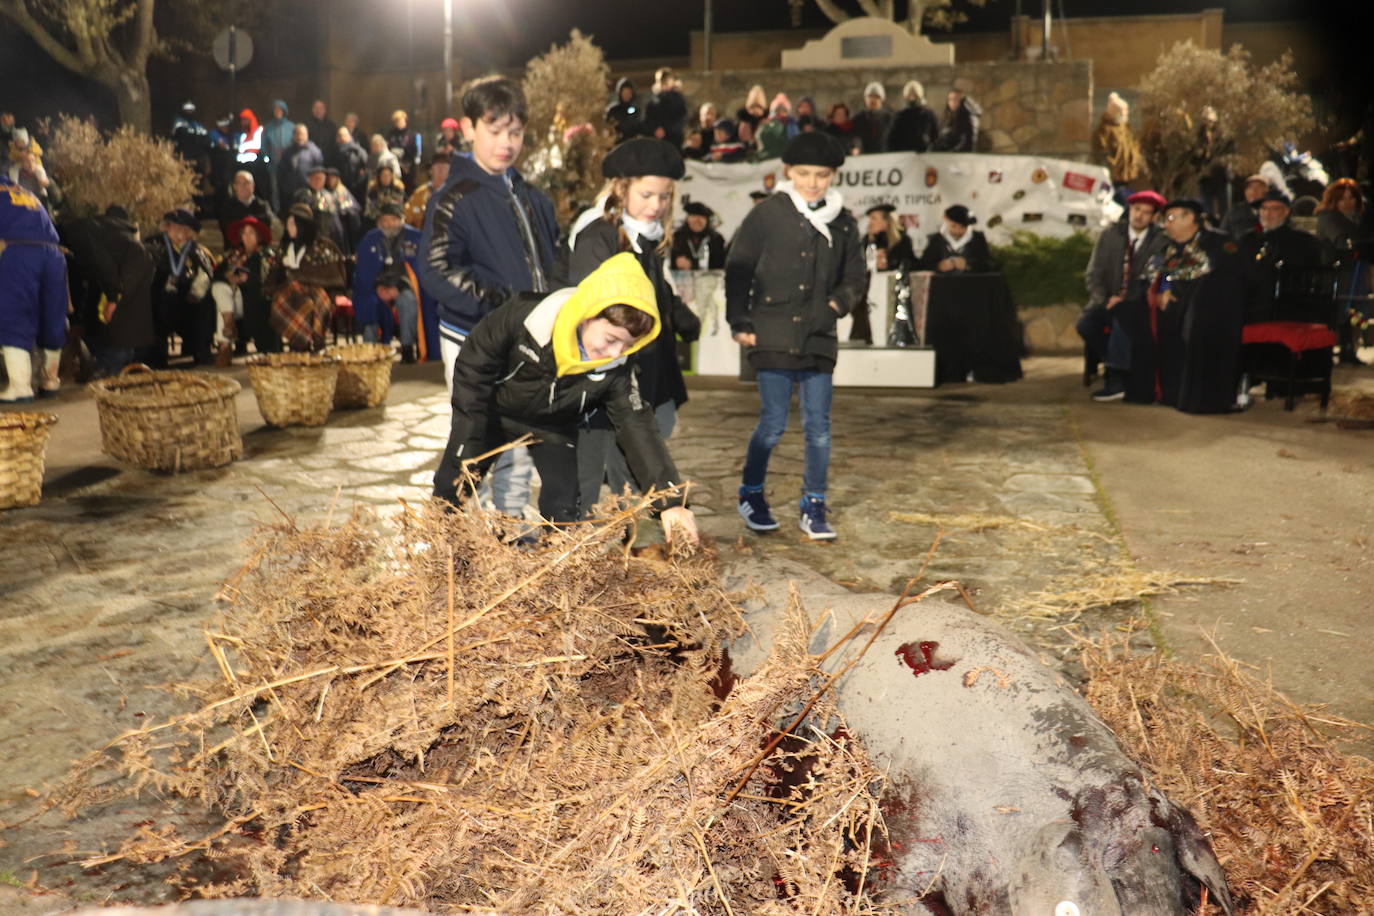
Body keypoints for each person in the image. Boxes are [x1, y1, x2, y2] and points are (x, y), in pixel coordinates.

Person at [431, 251, 698, 545]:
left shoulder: (617, 367)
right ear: (587, 315)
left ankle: (556, 565)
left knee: (566, 506)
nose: (615, 353)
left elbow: (636, 423)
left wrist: (671, 500)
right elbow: (474, 364)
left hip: (553, 424)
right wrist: (469, 431)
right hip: (493, 410)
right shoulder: (525, 317)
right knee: (454, 480)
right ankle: (439, 550)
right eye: (611, 339)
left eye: (628, 345)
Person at [418, 75, 559, 520]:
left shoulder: (533, 198)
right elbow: (436, 269)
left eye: (514, 132)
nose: (506, 143)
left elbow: (550, 262)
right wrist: (503, 303)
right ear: (469, 128)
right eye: (495, 131)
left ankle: (510, 526)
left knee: (519, 438)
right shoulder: (454, 197)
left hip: (526, 339)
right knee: (477, 438)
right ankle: (452, 530)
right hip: (473, 337)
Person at [725, 132, 865, 541]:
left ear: (833, 175)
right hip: (771, 333)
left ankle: (814, 504)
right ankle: (751, 493)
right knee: (772, 424)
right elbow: (739, 267)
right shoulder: (768, 214)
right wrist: (740, 321)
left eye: (822, 174)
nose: (813, 182)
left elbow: (856, 275)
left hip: (819, 336)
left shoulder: (843, 220)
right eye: (804, 173)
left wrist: (836, 305)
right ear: (788, 172)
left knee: (819, 427)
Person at [566, 138, 701, 517]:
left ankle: (636, 538)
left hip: (649, 369)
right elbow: (588, 307)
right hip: (608, 373)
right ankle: (585, 544)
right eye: (646, 194)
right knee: (596, 473)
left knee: (641, 453)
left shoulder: (651, 238)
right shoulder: (598, 237)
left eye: (664, 197)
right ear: (620, 188)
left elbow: (655, 294)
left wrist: (680, 317)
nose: (655, 205)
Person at [1115, 199, 1245, 413]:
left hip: (1211, 311)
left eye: (1171, 218)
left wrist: (1171, 287)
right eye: (1166, 219)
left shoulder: (1219, 243)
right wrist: (1160, 290)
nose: (1166, 224)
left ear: (1190, 218)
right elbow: (1149, 276)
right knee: (1132, 313)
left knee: (1196, 320)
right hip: (1171, 309)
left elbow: (1214, 273)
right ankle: (1155, 390)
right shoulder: (1166, 247)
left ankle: (1197, 397)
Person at [1076, 190, 1168, 401]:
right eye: (1136, 210)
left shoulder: (1160, 240)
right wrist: (1104, 299)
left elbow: (1157, 277)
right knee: (1086, 324)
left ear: (1154, 217)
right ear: (1129, 210)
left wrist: (1126, 300)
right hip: (1105, 299)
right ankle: (1115, 367)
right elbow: (1093, 273)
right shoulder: (1110, 235)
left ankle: (1116, 380)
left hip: (1136, 303)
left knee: (1121, 320)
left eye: (1146, 212)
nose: (1139, 216)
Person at [60, 205, 155, 378]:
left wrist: (112, 298)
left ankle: (112, 370)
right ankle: (114, 367)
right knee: (118, 321)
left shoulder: (78, 233)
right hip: (128, 267)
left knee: (118, 319)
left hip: (126, 271)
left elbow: (104, 267)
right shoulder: (94, 230)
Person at [0, 174, 68, 401]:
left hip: (18, 252)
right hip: (53, 254)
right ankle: (50, 380)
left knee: (14, 315)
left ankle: (20, 387)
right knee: (52, 317)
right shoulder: (24, 193)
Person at [1238, 189, 1324, 324]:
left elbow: (1313, 279)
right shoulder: (1247, 240)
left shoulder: (1303, 242)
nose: (1267, 214)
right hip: (1251, 310)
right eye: (1264, 209)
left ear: (1286, 212)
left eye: (1274, 209)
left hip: (1290, 310)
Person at [354, 201, 426, 362]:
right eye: (384, 220)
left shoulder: (415, 238)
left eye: (393, 220)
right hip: (375, 288)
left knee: (408, 300)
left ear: (402, 220)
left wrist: (398, 287)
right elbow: (363, 270)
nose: (389, 224)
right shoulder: (370, 239)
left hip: (403, 286)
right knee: (369, 302)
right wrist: (378, 287)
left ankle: (407, 347)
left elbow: (418, 270)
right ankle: (370, 351)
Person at [145, 208, 217, 367]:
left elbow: (206, 275)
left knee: (205, 304)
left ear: (190, 233)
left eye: (183, 229)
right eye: (174, 227)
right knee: (155, 305)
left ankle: (201, 351)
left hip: (187, 300)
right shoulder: (154, 245)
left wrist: (196, 292)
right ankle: (157, 358)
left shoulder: (197, 250)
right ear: (167, 227)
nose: (178, 233)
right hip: (159, 297)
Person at [271, 203, 345, 352]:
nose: (289, 227)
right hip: (289, 293)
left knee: (310, 304)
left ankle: (310, 342)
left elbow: (332, 274)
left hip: (316, 292)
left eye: (293, 223)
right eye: (288, 224)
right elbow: (274, 274)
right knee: (294, 302)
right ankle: (299, 344)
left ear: (302, 225)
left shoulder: (322, 247)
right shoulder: (284, 248)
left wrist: (301, 279)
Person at [1315, 179, 1372, 363]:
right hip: (1336, 272)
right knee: (1339, 310)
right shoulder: (1328, 217)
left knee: (1354, 311)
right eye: (1342, 198)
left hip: (1356, 270)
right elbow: (1341, 240)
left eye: (1351, 198)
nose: (1348, 202)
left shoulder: (1363, 217)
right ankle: (1329, 349)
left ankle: (1350, 348)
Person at [224, 215, 280, 354]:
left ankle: (267, 348)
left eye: (251, 233)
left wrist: (246, 279)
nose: (247, 237)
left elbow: (267, 277)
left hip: (259, 296)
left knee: (257, 299)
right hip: (235, 297)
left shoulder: (265, 254)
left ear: (258, 236)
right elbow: (221, 272)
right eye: (244, 233)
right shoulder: (235, 254)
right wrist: (230, 277)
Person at [1094, 92, 1146, 205]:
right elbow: (1101, 151)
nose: (1125, 114)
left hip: (1125, 173)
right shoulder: (1105, 130)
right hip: (1112, 174)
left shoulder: (1125, 128)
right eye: (1123, 111)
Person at [919, 205, 995, 273]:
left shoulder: (977, 238)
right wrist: (938, 266)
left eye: (962, 227)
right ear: (946, 220)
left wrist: (968, 265)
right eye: (953, 226)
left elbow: (989, 265)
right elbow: (922, 265)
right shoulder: (936, 239)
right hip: (942, 285)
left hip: (972, 284)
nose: (957, 231)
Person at [294, 163, 347, 251]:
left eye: (322, 179)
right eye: (317, 178)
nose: (319, 181)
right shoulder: (302, 195)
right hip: (310, 236)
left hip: (329, 236)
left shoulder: (328, 195)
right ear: (310, 179)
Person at [278, 124, 323, 209]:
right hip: (290, 193)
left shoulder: (314, 152)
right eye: (297, 134)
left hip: (308, 193)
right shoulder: (287, 152)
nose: (300, 137)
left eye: (302, 134)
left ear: (307, 135)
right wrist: (285, 187)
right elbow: (281, 172)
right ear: (294, 135)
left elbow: (319, 173)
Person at [219, 169, 275, 237]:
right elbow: (227, 229)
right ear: (234, 186)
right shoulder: (227, 208)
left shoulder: (263, 206)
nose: (243, 186)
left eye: (246, 183)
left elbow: (266, 227)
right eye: (239, 183)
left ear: (253, 185)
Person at [886, 81, 939, 154]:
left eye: (915, 95)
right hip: (905, 156)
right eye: (910, 95)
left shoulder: (928, 115)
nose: (912, 98)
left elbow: (935, 137)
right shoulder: (900, 116)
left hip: (924, 156)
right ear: (906, 97)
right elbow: (892, 140)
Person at [862, 203, 918, 272]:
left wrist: (887, 261)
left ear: (886, 221)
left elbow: (910, 265)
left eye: (874, 218)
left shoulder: (903, 241)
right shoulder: (866, 241)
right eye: (870, 219)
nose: (870, 223)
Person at [671, 201, 726, 270]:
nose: (697, 220)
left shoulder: (717, 239)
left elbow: (721, 265)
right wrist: (676, 263)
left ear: (707, 221)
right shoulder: (677, 237)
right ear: (687, 219)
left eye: (702, 217)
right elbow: (669, 263)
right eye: (693, 216)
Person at [260, 101, 294, 210]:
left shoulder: (291, 127)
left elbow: (294, 144)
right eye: (276, 109)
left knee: (288, 188)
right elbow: (263, 145)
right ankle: (277, 211)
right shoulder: (268, 128)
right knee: (275, 190)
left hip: (288, 165)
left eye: (280, 109)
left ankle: (289, 210)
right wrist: (268, 158)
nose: (278, 112)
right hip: (274, 165)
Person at [644, 68, 688, 149]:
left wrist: (666, 130)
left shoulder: (677, 99)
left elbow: (680, 119)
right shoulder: (653, 100)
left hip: (673, 141)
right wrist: (655, 129)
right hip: (656, 141)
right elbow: (648, 119)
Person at [405, 151, 451, 229]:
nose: (440, 171)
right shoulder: (420, 193)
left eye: (444, 168)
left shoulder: (456, 193)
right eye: (437, 167)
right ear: (431, 171)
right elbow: (408, 217)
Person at [325, 167, 363, 251]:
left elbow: (354, 206)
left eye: (333, 178)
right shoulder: (324, 192)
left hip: (345, 225)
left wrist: (346, 212)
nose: (331, 180)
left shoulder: (342, 191)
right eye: (329, 178)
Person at [932, 89, 981, 153]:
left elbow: (968, 142)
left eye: (955, 99)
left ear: (962, 101)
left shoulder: (968, 116)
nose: (952, 102)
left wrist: (951, 152)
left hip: (958, 157)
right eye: (950, 99)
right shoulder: (949, 115)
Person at [1222, 174, 1269, 239]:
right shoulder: (1235, 210)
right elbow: (1223, 234)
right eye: (1250, 187)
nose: (1253, 191)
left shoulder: (1271, 211)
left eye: (1258, 187)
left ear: (1266, 191)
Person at [331, 126, 370, 204]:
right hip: (338, 188)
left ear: (350, 136)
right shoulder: (333, 152)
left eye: (344, 135)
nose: (342, 138)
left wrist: (358, 184)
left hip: (356, 190)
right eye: (339, 135)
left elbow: (366, 171)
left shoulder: (359, 152)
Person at [851, 82, 892, 154]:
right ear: (865, 99)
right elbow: (854, 137)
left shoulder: (889, 118)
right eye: (870, 96)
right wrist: (856, 147)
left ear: (882, 100)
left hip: (884, 156)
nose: (873, 100)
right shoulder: (858, 119)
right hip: (864, 157)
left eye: (876, 97)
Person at [385, 110, 421, 191]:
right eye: (396, 121)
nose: (399, 123)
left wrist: (407, 164)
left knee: (408, 187)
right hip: (394, 165)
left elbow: (414, 151)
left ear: (405, 120)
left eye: (401, 120)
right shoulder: (391, 134)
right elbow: (387, 147)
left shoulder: (411, 134)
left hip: (407, 167)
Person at [754, 94, 797, 161]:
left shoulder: (792, 124)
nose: (781, 113)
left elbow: (794, 140)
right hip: (768, 156)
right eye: (778, 110)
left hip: (786, 157)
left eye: (783, 110)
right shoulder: (767, 124)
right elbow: (759, 140)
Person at [364, 164, 407, 230]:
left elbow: (400, 206)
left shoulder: (398, 189)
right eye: (384, 175)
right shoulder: (373, 191)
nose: (386, 177)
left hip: (395, 219)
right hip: (377, 221)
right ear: (379, 176)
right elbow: (370, 210)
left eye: (388, 175)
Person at [605, 77, 642, 143]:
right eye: (624, 91)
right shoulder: (612, 110)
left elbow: (637, 126)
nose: (627, 94)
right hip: (616, 144)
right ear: (620, 92)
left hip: (632, 143)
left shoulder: (636, 110)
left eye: (629, 92)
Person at [304, 100, 338, 165]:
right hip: (311, 160)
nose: (318, 110)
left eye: (321, 108)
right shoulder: (306, 125)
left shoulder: (331, 126)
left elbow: (335, 144)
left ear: (324, 110)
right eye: (316, 108)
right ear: (312, 110)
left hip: (329, 160)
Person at [736, 85, 768, 151]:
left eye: (758, 106)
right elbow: (742, 136)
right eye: (753, 106)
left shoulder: (765, 119)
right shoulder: (744, 119)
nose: (755, 110)